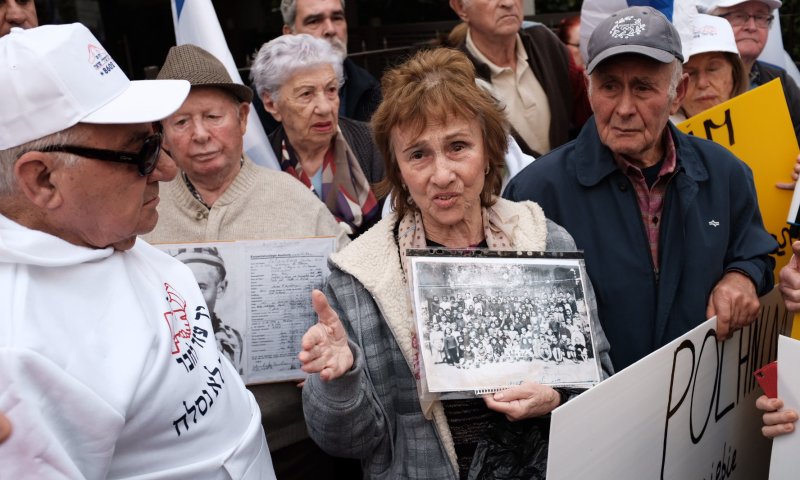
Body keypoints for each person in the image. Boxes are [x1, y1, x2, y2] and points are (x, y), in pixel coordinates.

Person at [298, 47, 613, 479]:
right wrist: (341, 379)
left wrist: (556, 395)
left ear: (489, 153)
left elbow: (600, 377)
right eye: (418, 155)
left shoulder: (544, 240)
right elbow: (350, 442)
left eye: (458, 146)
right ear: (400, 169)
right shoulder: (360, 277)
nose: (441, 174)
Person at [0, 23, 274, 477]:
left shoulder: (96, 228)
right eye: (143, 152)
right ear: (43, 180)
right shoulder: (19, 354)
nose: (167, 169)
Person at [503, 6, 777, 372]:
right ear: (588, 88)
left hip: (696, 409)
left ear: (677, 93)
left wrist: (741, 277)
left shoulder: (725, 173)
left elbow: (755, 252)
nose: (624, 108)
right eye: (610, 86)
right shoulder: (536, 191)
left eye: (643, 87)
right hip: (595, 415)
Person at [144, 43, 350, 479]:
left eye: (213, 117)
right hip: (179, 453)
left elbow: (348, 302)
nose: (199, 134)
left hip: (292, 440)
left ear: (241, 118)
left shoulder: (296, 202)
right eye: (181, 121)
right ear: (162, 131)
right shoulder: (142, 210)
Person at [251, 34, 384, 238]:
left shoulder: (375, 145)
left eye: (331, 90)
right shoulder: (258, 163)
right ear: (271, 104)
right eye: (306, 94)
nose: (324, 107)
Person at [448, 0, 590, 157]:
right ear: (460, 7)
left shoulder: (546, 44)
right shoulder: (454, 80)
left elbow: (588, 112)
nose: (508, 3)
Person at [709, 0, 800, 144]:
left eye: (760, 17)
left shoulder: (781, 80)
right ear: (714, 23)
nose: (751, 27)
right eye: (739, 16)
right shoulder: (692, 84)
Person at [280, 0, 381, 124]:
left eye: (337, 18)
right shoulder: (265, 101)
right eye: (314, 21)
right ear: (289, 34)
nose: (330, 29)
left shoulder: (371, 91)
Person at [174, 247, 244, 374]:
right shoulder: (168, 338)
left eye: (201, 288)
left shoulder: (234, 339)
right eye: (184, 286)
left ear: (220, 289)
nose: (191, 296)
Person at [672, 14, 748, 121]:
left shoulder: (767, 121)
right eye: (689, 73)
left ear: (735, 73)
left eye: (713, 69)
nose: (702, 83)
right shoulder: (658, 135)